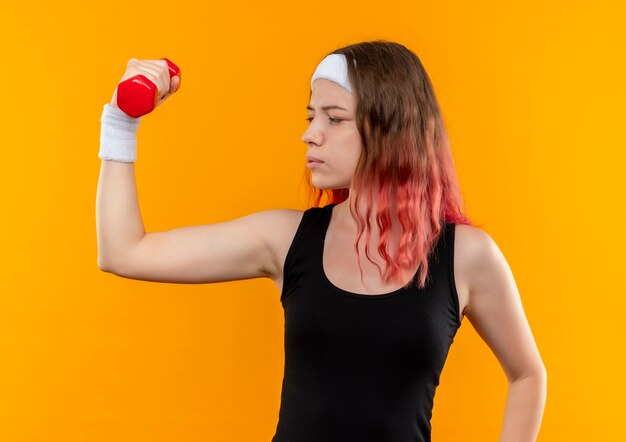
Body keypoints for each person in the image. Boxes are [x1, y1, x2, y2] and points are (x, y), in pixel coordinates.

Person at [96, 40, 547, 441]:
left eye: (334, 118)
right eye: (313, 116)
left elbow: (528, 374)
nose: (310, 133)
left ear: (392, 128)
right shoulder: (285, 239)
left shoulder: (466, 255)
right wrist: (119, 124)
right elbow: (125, 253)